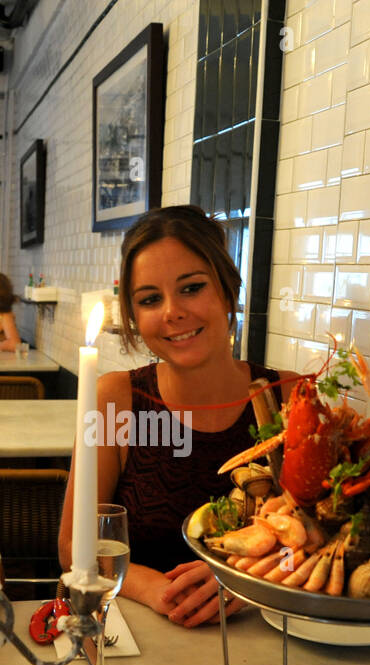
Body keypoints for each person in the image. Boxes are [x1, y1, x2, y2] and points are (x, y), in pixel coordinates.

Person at [58, 207, 284, 629]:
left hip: (272, 641)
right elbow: (74, 544)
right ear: (132, 316)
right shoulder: (116, 398)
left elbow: (332, 539)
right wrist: (154, 588)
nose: (171, 312)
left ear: (227, 289)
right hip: (142, 642)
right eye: (149, 299)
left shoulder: (287, 397)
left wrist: (250, 579)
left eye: (192, 288)